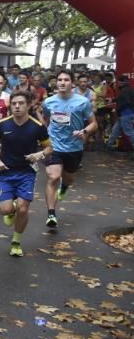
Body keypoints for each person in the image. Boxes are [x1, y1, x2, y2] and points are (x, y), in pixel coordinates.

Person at [0, 91, 52, 257]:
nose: (17, 106)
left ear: (29, 105)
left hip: (27, 172)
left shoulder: (37, 127)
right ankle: (11, 210)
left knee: (23, 210)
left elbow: (49, 147)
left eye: (21, 103)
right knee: (5, 210)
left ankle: (16, 242)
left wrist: (40, 155)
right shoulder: (2, 124)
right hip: (6, 172)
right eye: (14, 103)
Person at [41, 70, 96, 229]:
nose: (62, 83)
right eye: (60, 80)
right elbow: (45, 117)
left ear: (72, 83)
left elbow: (94, 124)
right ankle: (51, 214)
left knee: (68, 178)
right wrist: (45, 132)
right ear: (56, 82)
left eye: (66, 80)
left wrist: (84, 132)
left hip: (74, 147)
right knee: (53, 177)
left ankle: (64, 187)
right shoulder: (49, 102)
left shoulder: (82, 102)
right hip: (54, 146)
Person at [106, 75, 134, 155]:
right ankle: (109, 145)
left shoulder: (124, 91)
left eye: (118, 82)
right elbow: (122, 99)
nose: (117, 84)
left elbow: (125, 101)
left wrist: (117, 108)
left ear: (120, 82)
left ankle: (109, 146)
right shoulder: (129, 89)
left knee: (129, 132)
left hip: (125, 114)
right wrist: (113, 99)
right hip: (126, 114)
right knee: (116, 130)